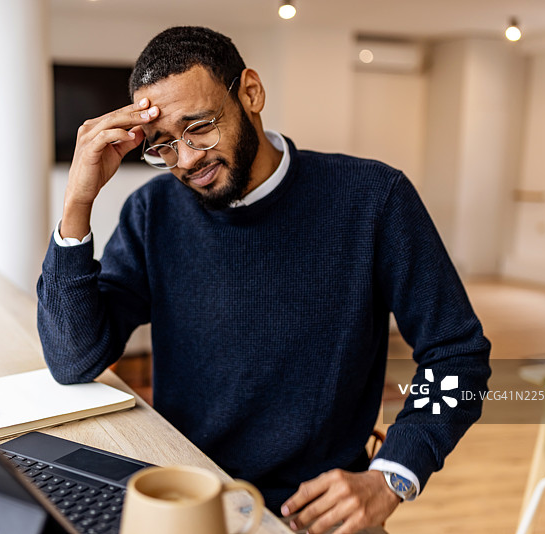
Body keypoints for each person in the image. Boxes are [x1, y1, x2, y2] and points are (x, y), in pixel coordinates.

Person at [37, 26, 491, 534]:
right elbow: (73, 358)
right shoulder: (154, 211)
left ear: (250, 92)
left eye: (200, 126)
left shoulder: (373, 200)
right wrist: (78, 204)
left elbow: (457, 354)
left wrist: (392, 476)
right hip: (184, 498)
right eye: (163, 145)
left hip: (312, 515)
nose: (186, 160)